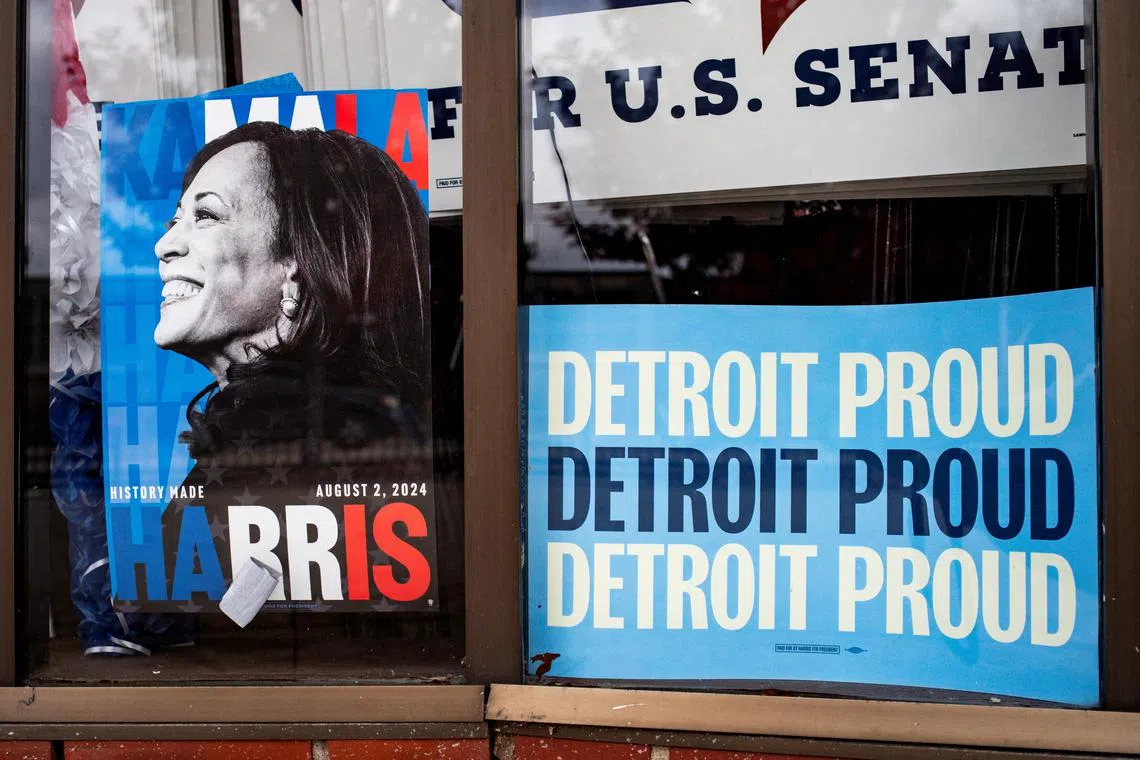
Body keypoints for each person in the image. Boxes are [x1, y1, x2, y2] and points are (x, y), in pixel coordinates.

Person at [152, 121, 433, 610]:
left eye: (207, 216)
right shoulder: (291, 426)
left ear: (300, 264)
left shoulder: (313, 438)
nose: (166, 245)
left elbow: (210, 627)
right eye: (175, 220)